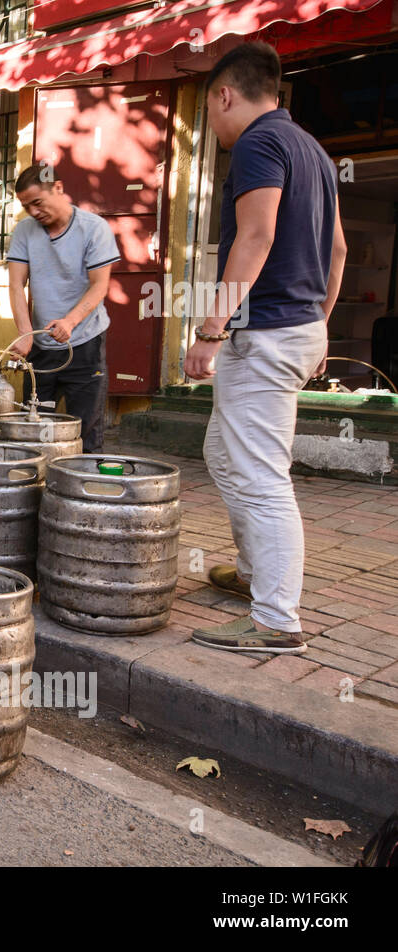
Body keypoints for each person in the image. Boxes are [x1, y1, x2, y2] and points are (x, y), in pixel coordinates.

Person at [185, 42, 344, 655]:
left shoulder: (257, 142)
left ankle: (276, 618)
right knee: (224, 453)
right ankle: (255, 574)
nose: (215, 128)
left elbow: (256, 234)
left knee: (259, 475)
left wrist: (209, 331)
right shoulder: (315, 151)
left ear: (225, 94)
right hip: (299, 327)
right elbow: (337, 253)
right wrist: (320, 323)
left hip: (267, 331)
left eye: (210, 111)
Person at [6, 163, 120, 452]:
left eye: (37, 203)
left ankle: (85, 491)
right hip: (41, 348)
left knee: (85, 432)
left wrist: (70, 321)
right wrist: (24, 333)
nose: (33, 212)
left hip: (85, 343)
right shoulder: (24, 231)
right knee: (33, 425)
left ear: (57, 189)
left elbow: (99, 286)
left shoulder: (94, 229)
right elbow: (17, 284)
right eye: (26, 206)